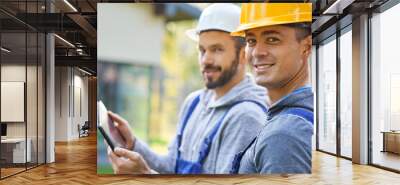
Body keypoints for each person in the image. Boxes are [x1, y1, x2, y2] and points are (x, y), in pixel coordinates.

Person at [106, 3, 268, 174]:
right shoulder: (194, 103)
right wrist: (133, 144)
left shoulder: (246, 117)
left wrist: (145, 175)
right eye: (202, 50)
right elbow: (171, 167)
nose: (206, 60)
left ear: (243, 55)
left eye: (217, 50)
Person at [229, 3, 314, 174]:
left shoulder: (284, 135)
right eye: (251, 41)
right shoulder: (294, 118)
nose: (257, 52)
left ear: (306, 46)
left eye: (272, 39)